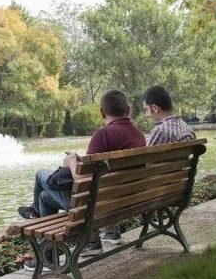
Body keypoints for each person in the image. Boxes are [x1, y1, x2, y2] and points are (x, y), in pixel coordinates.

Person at [18, 89, 145, 263]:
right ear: (128, 110)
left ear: (102, 112)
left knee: (41, 175)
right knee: (45, 197)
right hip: (124, 202)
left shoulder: (103, 135)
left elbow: (83, 180)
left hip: (94, 208)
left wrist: (71, 161)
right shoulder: (138, 135)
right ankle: (51, 247)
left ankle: (48, 255)